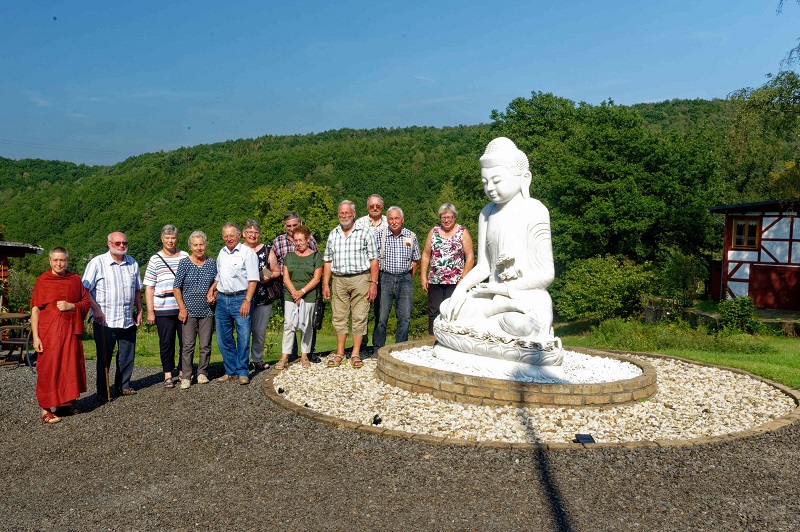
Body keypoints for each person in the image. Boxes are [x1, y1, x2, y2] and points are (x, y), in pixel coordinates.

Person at [437, 137, 559, 353]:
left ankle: (489, 327)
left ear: (524, 178)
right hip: (491, 297)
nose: (490, 188)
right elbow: (485, 266)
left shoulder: (535, 210)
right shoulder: (487, 213)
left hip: (526, 296)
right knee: (448, 308)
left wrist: (503, 289)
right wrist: (461, 288)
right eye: (485, 182)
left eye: (497, 180)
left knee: (532, 322)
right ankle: (495, 320)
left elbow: (546, 274)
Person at [30, 247, 92, 424]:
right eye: (55, 260)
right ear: (50, 261)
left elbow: (85, 302)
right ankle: (46, 408)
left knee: (68, 366)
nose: (59, 263)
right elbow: (35, 309)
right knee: (49, 368)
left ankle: (65, 403)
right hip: (49, 333)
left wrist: (71, 306)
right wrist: (36, 337)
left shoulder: (74, 279)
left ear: (67, 261)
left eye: (62, 260)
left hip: (69, 332)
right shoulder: (43, 281)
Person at [82, 231, 143, 402]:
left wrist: (140, 310)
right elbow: (84, 290)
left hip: (126, 318)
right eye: (118, 243)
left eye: (124, 242)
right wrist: (96, 310)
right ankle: (102, 392)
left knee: (126, 356)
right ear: (109, 244)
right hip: (104, 320)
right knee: (104, 357)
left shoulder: (133, 263)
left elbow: (137, 289)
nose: (122, 246)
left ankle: (123, 386)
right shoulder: (97, 263)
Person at [322, 200, 379, 368]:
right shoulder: (333, 234)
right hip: (338, 280)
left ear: (354, 214)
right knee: (339, 317)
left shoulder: (365, 232)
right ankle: (340, 352)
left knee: (359, 316)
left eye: (347, 213)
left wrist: (373, 283)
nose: (344, 216)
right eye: (341, 213)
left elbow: (374, 260)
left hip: (361, 278)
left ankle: (355, 353)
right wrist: (325, 284)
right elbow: (327, 261)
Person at [210, 222, 259, 385]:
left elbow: (253, 280)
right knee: (223, 338)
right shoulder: (222, 253)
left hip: (241, 298)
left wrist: (247, 301)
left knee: (243, 336)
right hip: (222, 299)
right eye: (225, 236)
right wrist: (212, 290)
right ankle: (230, 370)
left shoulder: (247, 253)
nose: (228, 238)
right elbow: (219, 275)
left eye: (231, 235)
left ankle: (243, 371)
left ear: (239, 235)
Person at [143, 224, 188, 389]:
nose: (170, 241)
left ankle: (183, 371)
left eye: (173, 238)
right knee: (166, 343)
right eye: (167, 238)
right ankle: (168, 374)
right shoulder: (155, 259)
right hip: (162, 309)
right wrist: (150, 311)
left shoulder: (184, 256)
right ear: (162, 239)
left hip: (183, 307)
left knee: (186, 342)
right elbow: (149, 287)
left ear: (177, 239)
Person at [420, 203, 474, 334]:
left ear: (455, 217)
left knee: (452, 311)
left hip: (455, 281)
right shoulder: (433, 232)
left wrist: (463, 278)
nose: (446, 220)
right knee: (434, 311)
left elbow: (470, 257)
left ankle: (451, 340)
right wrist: (423, 276)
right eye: (443, 217)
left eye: (449, 217)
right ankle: (433, 341)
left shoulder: (462, 232)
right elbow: (426, 255)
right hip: (435, 280)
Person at [173, 231, 217, 390]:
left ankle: (202, 373)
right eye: (196, 245)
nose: (199, 248)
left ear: (205, 245)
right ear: (190, 246)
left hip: (207, 310)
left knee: (205, 344)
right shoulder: (184, 263)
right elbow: (176, 287)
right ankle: (186, 376)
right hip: (188, 311)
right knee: (188, 345)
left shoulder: (212, 263)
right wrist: (182, 308)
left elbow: (218, 283)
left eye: (201, 244)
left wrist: (214, 293)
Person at [372, 206, 420, 351]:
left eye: (396, 218)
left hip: (405, 279)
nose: (394, 222)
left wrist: (409, 276)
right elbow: (373, 259)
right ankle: (378, 349)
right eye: (391, 219)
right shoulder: (379, 235)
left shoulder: (411, 236)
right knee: (381, 317)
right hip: (384, 278)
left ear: (402, 220)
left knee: (404, 317)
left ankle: (400, 349)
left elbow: (416, 260)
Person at [277, 225, 323, 369]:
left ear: (307, 239)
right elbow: (286, 278)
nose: (298, 243)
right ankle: (285, 356)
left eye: (301, 240)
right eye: (296, 240)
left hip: (309, 295)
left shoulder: (315, 256)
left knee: (306, 326)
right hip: (291, 295)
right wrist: (295, 293)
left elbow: (316, 279)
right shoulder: (289, 256)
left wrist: (301, 292)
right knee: (289, 325)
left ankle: (304, 355)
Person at [242, 219, 280, 371]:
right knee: (243, 331)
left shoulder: (266, 249)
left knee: (259, 331)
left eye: (256, 232)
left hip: (263, 296)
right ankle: (242, 361)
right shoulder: (238, 249)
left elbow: (276, 269)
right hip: (242, 296)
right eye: (250, 232)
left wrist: (268, 275)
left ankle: (257, 359)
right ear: (244, 233)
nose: (253, 235)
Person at [354, 194, 388, 352]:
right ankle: (361, 342)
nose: (375, 208)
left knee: (380, 310)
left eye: (378, 206)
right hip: (364, 271)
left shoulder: (390, 222)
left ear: (382, 206)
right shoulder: (359, 223)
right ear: (367, 207)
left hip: (385, 271)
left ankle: (377, 344)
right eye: (371, 206)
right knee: (362, 309)